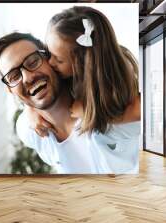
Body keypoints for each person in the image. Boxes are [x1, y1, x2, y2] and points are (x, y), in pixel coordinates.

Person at [0, 32, 139, 174]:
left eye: (33, 61)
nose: (27, 78)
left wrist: (98, 114)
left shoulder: (113, 111)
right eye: (13, 76)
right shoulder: (27, 130)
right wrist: (29, 107)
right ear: (10, 90)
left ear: (51, 59)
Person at [27, 6, 141, 138]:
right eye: (48, 53)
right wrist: (31, 110)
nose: (50, 63)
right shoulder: (62, 72)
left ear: (83, 63)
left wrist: (93, 114)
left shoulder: (120, 72)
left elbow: (139, 110)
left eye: (58, 60)